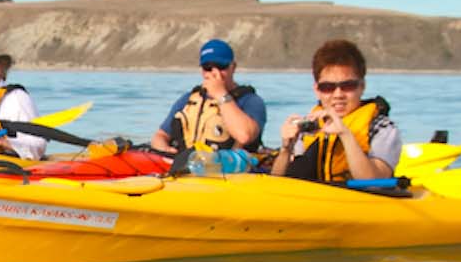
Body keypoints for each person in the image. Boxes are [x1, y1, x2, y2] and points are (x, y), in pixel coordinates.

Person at [266, 38, 400, 183]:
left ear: (362, 86)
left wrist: (345, 135)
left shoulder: (382, 128)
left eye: (348, 86)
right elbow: (276, 183)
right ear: (317, 90)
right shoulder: (309, 127)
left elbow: (375, 183)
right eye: (328, 87)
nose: (338, 95)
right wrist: (286, 150)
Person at [149, 38, 266, 155]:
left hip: (226, 167)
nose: (215, 73)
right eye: (208, 68)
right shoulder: (188, 99)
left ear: (233, 67)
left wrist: (221, 94)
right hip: (186, 163)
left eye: (221, 67)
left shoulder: (251, 101)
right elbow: (161, 135)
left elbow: (245, 136)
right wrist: (166, 150)